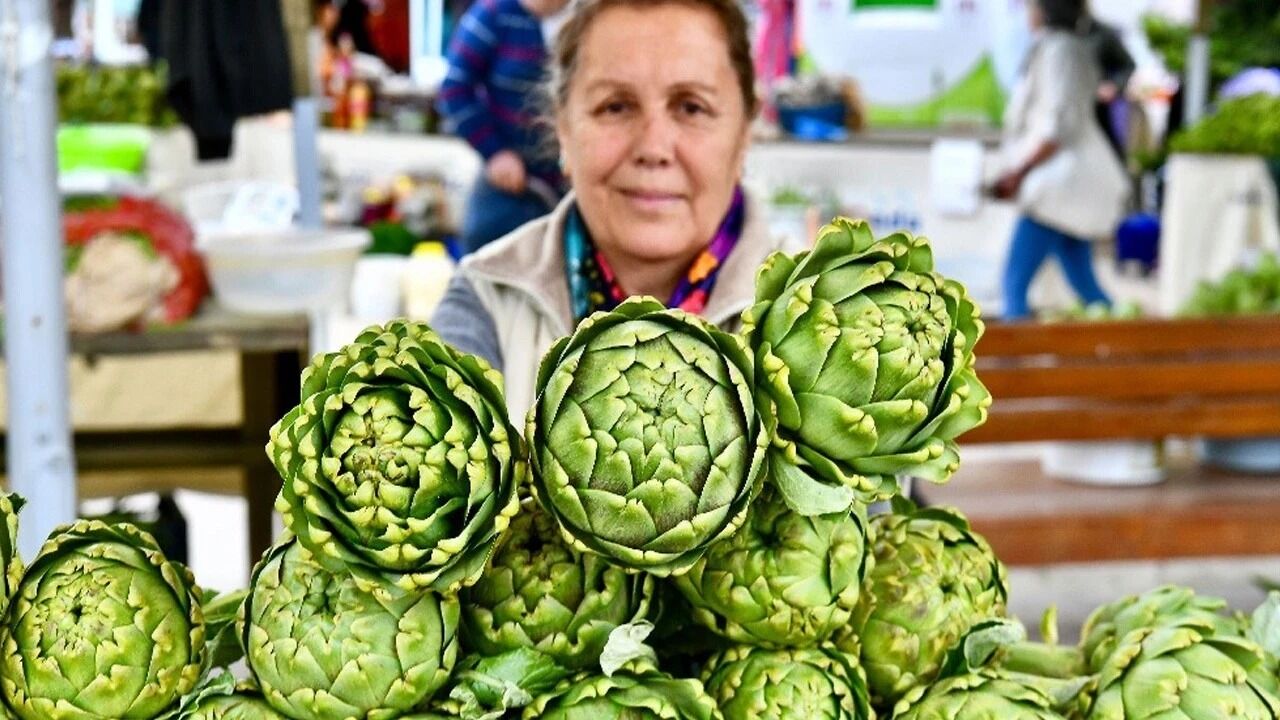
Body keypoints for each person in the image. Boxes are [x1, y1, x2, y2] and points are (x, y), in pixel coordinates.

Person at [431, 0, 784, 422]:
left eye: (692, 107)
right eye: (615, 106)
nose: (653, 148)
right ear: (562, 127)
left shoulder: (826, 314)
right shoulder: (486, 300)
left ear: (745, 132)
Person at [993, 0, 1130, 320]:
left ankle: (1016, 363)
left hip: (1056, 184)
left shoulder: (1060, 51)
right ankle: (1124, 350)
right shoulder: (1065, 48)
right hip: (1067, 182)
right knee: (1085, 282)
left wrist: (1019, 171)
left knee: (1015, 280)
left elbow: (1057, 126)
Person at [437, 0, 571, 255]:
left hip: (567, 191)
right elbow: (454, 89)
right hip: (509, 186)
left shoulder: (582, 17)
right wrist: (495, 152)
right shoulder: (493, 14)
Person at [1081, 13, 1135, 159]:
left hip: (1098, 106)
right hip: (1072, 104)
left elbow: (1128, 65)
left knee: (1109, 151)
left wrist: (1114, 86)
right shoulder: (1059, 33)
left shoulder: (1102, 33)